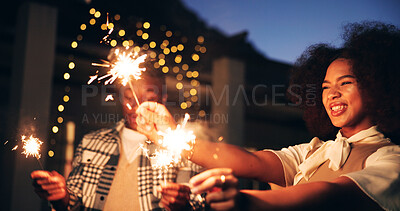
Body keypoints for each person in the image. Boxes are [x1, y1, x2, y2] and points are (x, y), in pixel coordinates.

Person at [135, 21, 400, 210]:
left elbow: (332, 193)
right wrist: (169, 136)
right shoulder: (313, 152)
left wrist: (246, 201)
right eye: (325, 87)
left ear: (376, 85)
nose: (332, 94)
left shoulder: (391, 160)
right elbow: (251, 160)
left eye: (345, 83)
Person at [31, 56, 203, 211]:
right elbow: (74, 203)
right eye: (129, 97)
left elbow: (200, 201)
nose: (137, 108)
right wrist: (62, 197)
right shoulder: (91, 142)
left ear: (163, 97)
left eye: (149, 98)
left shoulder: (182, 146)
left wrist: (184, 204)